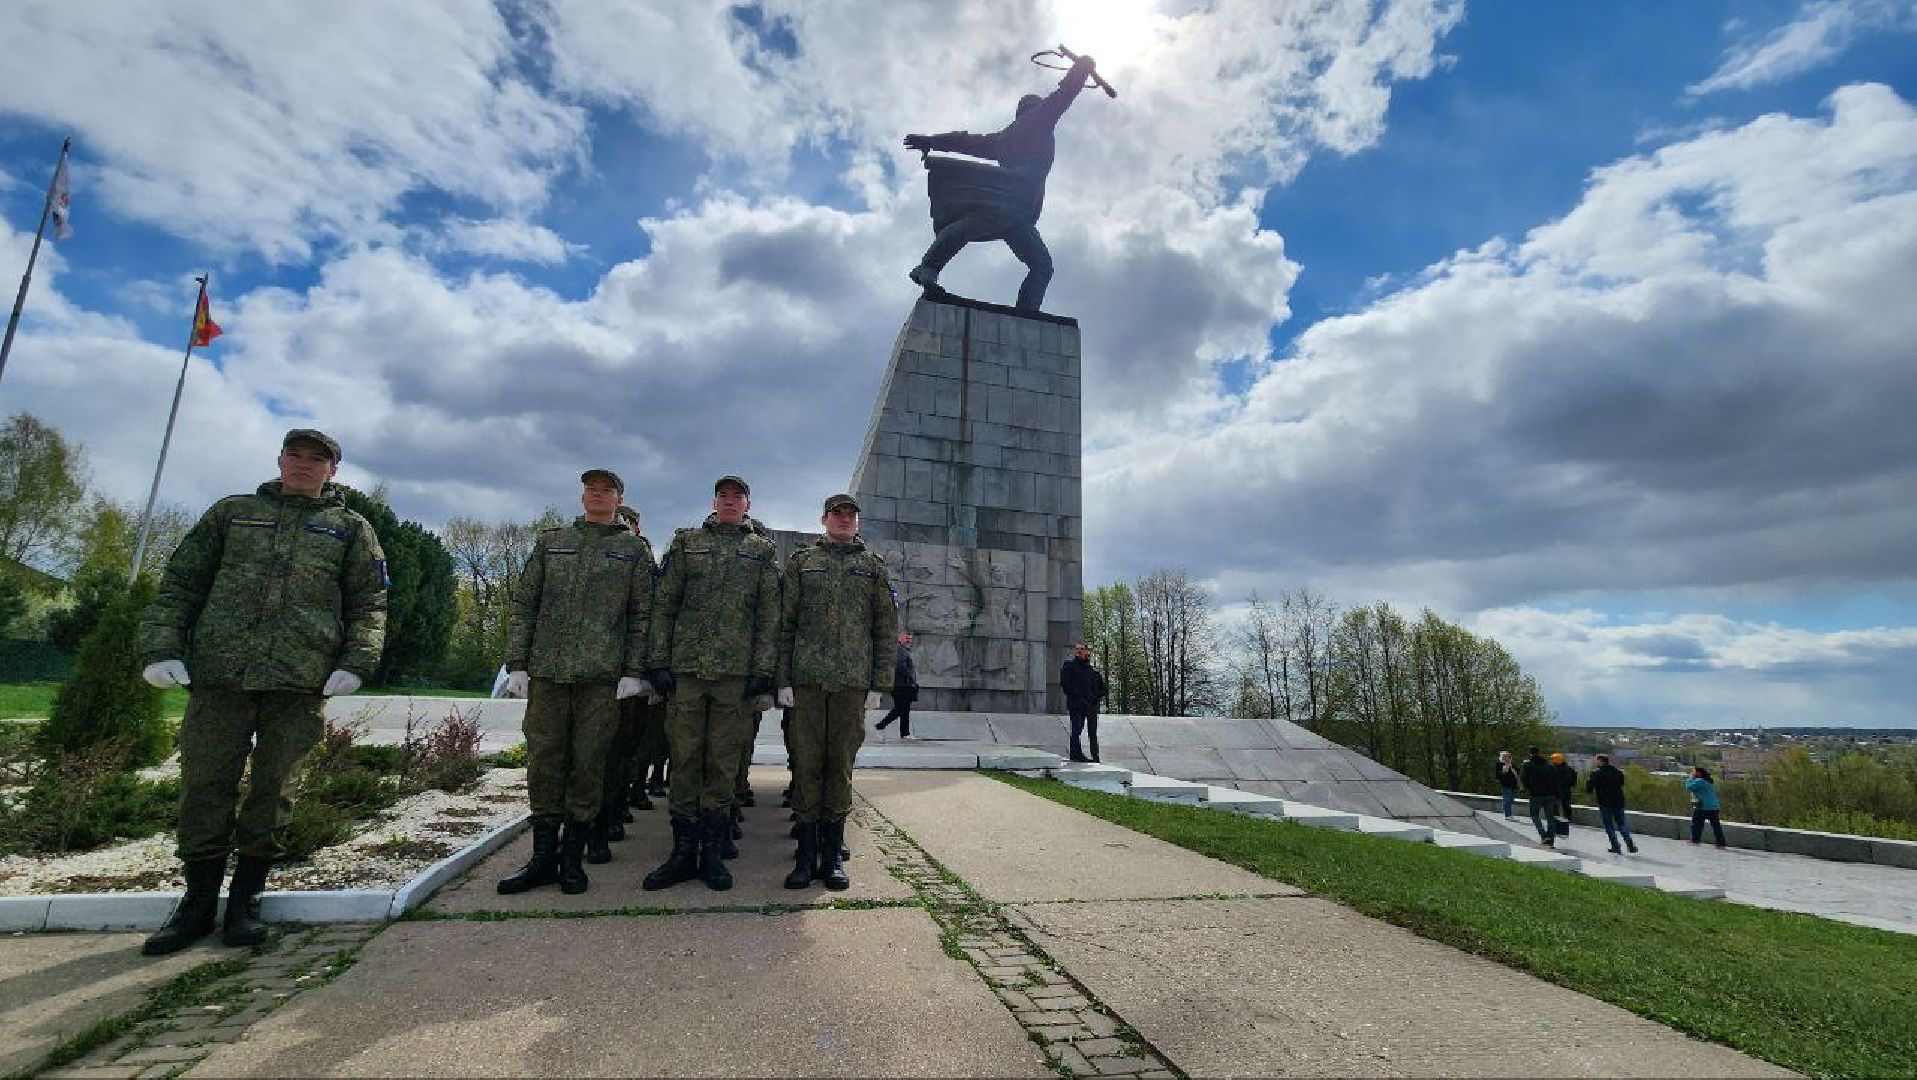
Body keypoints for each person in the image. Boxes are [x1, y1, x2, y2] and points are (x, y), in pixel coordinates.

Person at [136, 429, 387, 955]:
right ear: (280, 460)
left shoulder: (349, 529)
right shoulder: (233, 513)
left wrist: (356, 662)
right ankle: (197, 903)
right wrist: (160, 648)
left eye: (316, 459)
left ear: (332, 470)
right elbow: (182, 582)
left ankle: (246, 901)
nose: (303, 465)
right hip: (221, 675)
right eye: (295, 455)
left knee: (275, 788)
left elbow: (369, 603)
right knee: (205, 784)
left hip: (299, 679)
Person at [495, 469, 654, 896]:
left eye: (606, 489)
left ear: (620, 498)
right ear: (583, 495)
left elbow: (642, 616)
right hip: (548, 673)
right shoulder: (552, 542)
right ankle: (542, 859)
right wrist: (517, 664)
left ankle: (572, 860)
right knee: (544, 762)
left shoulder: (633, 549)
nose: (597, 494)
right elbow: (525, 602)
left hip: (601, 680)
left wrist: (633, 672)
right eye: (591, 488)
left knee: (589, 766)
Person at [643, 475, 780, 892]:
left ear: (748, 506)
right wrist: (658, 661)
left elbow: (768, 616)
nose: (730, 502)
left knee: (722, 764)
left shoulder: (761, 551)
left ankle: (713, 857)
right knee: (684, 760)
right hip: (687, 672)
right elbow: (665, 604)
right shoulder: (686, 543)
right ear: (714, 501)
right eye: (723, 496)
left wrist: (763, 671)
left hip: (734, 679)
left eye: (737, 497)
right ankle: (682, 854)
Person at [902, 53, 1098, 312]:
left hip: (1013, 208)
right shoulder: (1039, 121)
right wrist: (1083, 66)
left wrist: (932, 140)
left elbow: (967, 141)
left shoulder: (1004, 138)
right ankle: (931, 268)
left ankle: (930, 267)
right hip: (1016, 201)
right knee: (1040, 265)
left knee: (976, 230)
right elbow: (1065, 93)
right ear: (1036, 108)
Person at [776, 494, 897, 890]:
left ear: (857, 522)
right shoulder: (801, 562)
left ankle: (831, 859)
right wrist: (783, 680)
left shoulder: (873, 568)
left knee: (839, 767)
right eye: (836, 514)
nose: (844, 520)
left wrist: (880, 684)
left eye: (850, 515)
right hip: (807, 682)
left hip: (850, 684)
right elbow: (786, 625)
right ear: (824, 519)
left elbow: (884, 631)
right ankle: (803, 858)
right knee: (808, 765)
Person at [596, 505, 659, 841]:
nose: (625, 525)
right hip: (598, 670)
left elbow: (650, 617)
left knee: (627, 747)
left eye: (630, 521)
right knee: (596, 751)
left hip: (633, 674)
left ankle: (616, 807)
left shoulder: (643, 559)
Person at [1060, 642, 1107, 763]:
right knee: (1076, 729)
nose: (1079, 651)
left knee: (1082, 730)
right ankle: (1076, 754)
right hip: (1076, 704)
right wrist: (1077, 697)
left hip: (1087, 705)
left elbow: (1095, 688)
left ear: (1087, 651)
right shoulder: (1069, 665)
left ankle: (1083, 754)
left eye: (1082, 649)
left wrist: (1092, 699)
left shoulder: (1089, 669)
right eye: (1077, 649)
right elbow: (1066, 684)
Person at [1585, 753, 1637, 854]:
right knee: (1622, 824)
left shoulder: (1596, 773)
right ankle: (1629, 843)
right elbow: (1621, 783)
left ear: (1601, 761)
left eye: (1596, 760)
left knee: (1609, 826)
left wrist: (1589, 782)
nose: (1595, 762)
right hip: (1618, 801)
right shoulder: (1617, 772)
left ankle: (1615, 846)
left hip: (1605, 803)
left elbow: (1589, 789)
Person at [873, 631, 918, 739]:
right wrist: (909, 676)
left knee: (905, 708)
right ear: (900, 637)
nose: (909, 641)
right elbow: (901, 666)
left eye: (910, 639)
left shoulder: (902, 649)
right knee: (900, 708)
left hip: (902, 683)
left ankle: (905, 733)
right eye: (907, 638)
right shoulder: (900, 650)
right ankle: (879, 726)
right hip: (900, 684)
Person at [1518, 746, 1559, 847]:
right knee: (1550, 817)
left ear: (1530, 753)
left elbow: (1523, 778)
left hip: (1535, 794)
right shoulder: (1549, 765)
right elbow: (1555, 780)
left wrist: (1528, 788)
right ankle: (1550, 837)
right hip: (1550, 794)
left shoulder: (1527, 764)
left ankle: (1543, 835)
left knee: (1534, 814)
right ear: (1539, 752)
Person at [1685, 766, 1727, 848]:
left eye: (1693, 772)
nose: (1692, 773)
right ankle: (1721, 843)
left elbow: (1688, 787)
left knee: (1696, 824)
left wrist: (1690, 778)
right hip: (1714, 807)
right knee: (1716, 826)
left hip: (1703, 807)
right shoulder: (1709, 782)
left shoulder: (1700, 781)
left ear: (1698, 773)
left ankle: (1695, 840)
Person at [1551, 752, 1578, 833]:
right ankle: (1567, 819)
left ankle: (1560, 822)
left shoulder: (1556, 769)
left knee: (1557, 806)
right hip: (1566, 791)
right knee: (1566, 805)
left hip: (1558, 791)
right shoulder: (1569, 769)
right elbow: (1573, 781)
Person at [1495, 750, 1519, 818]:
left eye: (1508, 756)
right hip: (1506, 784)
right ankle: (1507, 815)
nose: (1507, 758)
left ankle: (1507, 813)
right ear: (1502, 757)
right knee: (1507, 799)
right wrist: (1507, 765)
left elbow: (1517, 772)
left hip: (1513, 785)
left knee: (1511, 800)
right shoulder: (1500, 764)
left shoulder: (1512, 764)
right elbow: (1503, 772)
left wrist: (1511, 766)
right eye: (1505, 756)